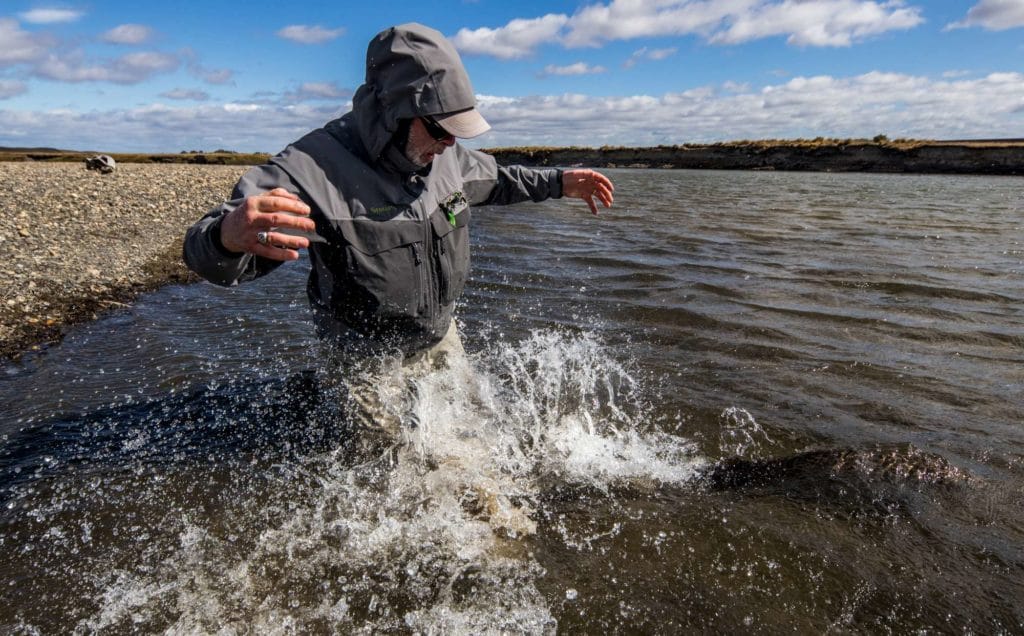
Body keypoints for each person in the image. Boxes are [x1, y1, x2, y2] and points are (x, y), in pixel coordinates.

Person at [183, 23, 614, 452]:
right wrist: (226, 237)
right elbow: (208, 252)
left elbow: (501, 180)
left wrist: (560, 182)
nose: (449, 144)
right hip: (362, 357)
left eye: (456, 133)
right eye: (441, 130)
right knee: (397, 458)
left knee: (472, 434)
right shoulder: (308, 169)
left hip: (439, 337)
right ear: (395, 113)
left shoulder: (449, 157)